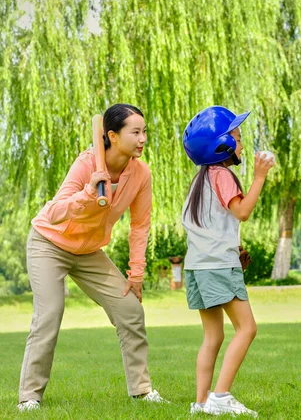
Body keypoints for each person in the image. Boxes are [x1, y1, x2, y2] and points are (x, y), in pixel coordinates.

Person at [18, 104, 166, 412]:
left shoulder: (141, 173)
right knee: (50, 313)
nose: (142, 139)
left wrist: (136, 274)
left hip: (88, 251)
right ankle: (29, 397)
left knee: (130, 309)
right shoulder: (87, 164)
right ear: (112, 135)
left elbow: (140, 226)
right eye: (135, 132)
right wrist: (87, 193)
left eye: (144, 132)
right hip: (49, 243)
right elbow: (55, 213)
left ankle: (141, 390)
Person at [181, 106, 274, 417]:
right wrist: (260, 177)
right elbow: (242, 212)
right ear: (222, 144)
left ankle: (201, 402)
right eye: (237, 136)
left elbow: (211, 226)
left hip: (197, 268)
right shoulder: (223, 175)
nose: (242, 142)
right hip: (219, 267)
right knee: (247, 329)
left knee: (214, 335)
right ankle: (220, 396)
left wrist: (234, 247)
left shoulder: (200, 181)